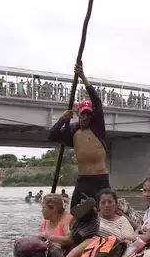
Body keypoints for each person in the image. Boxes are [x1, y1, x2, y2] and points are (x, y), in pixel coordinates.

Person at [47, 64, 109, 211]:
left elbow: (97, 102)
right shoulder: (73, 130)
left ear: (92, 116)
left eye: (88, 114)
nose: (85, 117)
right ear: (78, 113)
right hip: (83, 179)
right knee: (75, 210)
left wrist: (82, 77)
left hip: (100, 179)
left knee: (102, 211)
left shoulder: (97, 127)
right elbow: (51, 135)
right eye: (83, 114)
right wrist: (62, 119)